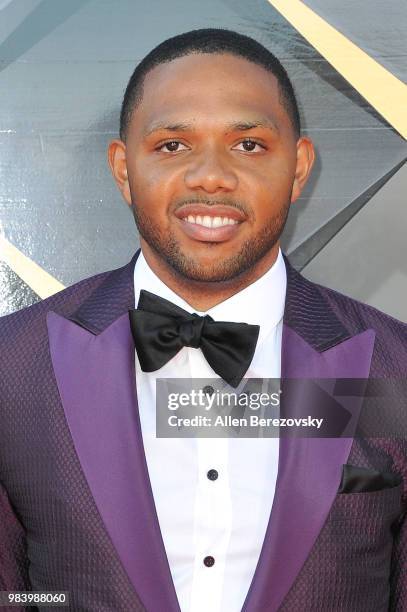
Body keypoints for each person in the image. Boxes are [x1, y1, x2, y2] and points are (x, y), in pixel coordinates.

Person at [0, 28, 406, 612]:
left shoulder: (395, 368)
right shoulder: (15, 368)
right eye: (172, 145)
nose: (210, 176)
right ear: (122, 168)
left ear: (298, 168)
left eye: (248, 146)